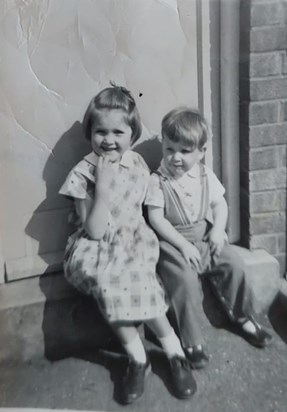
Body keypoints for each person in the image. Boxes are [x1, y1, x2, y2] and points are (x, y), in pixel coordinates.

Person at [59, 86, 196, 404]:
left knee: (139, 276)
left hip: (134, 240)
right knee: (110, 283)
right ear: (89, 133)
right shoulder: (83, 174)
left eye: (117, 132)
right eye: (100, 131)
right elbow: (93, 231)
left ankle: (174, 351)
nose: (108, 140)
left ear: (132, 134)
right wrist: (102, 187)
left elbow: (146, 207)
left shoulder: (135, 163)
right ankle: (137, 357)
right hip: (98, 247)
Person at [145, 107, 272, 370]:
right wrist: (181, 245)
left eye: (184, 151)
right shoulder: (157, 181)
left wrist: (217, 230)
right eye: (170, 150)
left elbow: (219, 205)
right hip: (173, 242)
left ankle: (243, 316)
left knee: (234, 265)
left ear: (201, 151)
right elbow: (156, 220)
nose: (176, 158)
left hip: (204, 234)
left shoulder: (205, 175)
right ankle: (191, 340)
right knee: (185, 281)